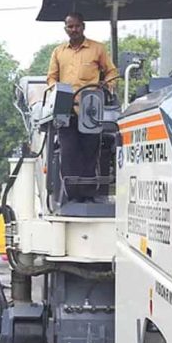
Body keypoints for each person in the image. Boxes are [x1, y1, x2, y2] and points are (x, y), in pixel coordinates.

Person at [47, 12, 119, 202]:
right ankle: (71, 195)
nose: (74, 29)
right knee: (68, 152)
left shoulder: (98, 49)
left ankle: (88, 195)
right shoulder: (58, 52)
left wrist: (107, 86)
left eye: (77, 26)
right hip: (65, 109)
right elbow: (51, 77)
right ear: (66, 29)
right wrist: (56, 90)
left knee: (90, 151)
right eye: (70, 26)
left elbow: (111, 72)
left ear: (83, 27)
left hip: (90, 109)